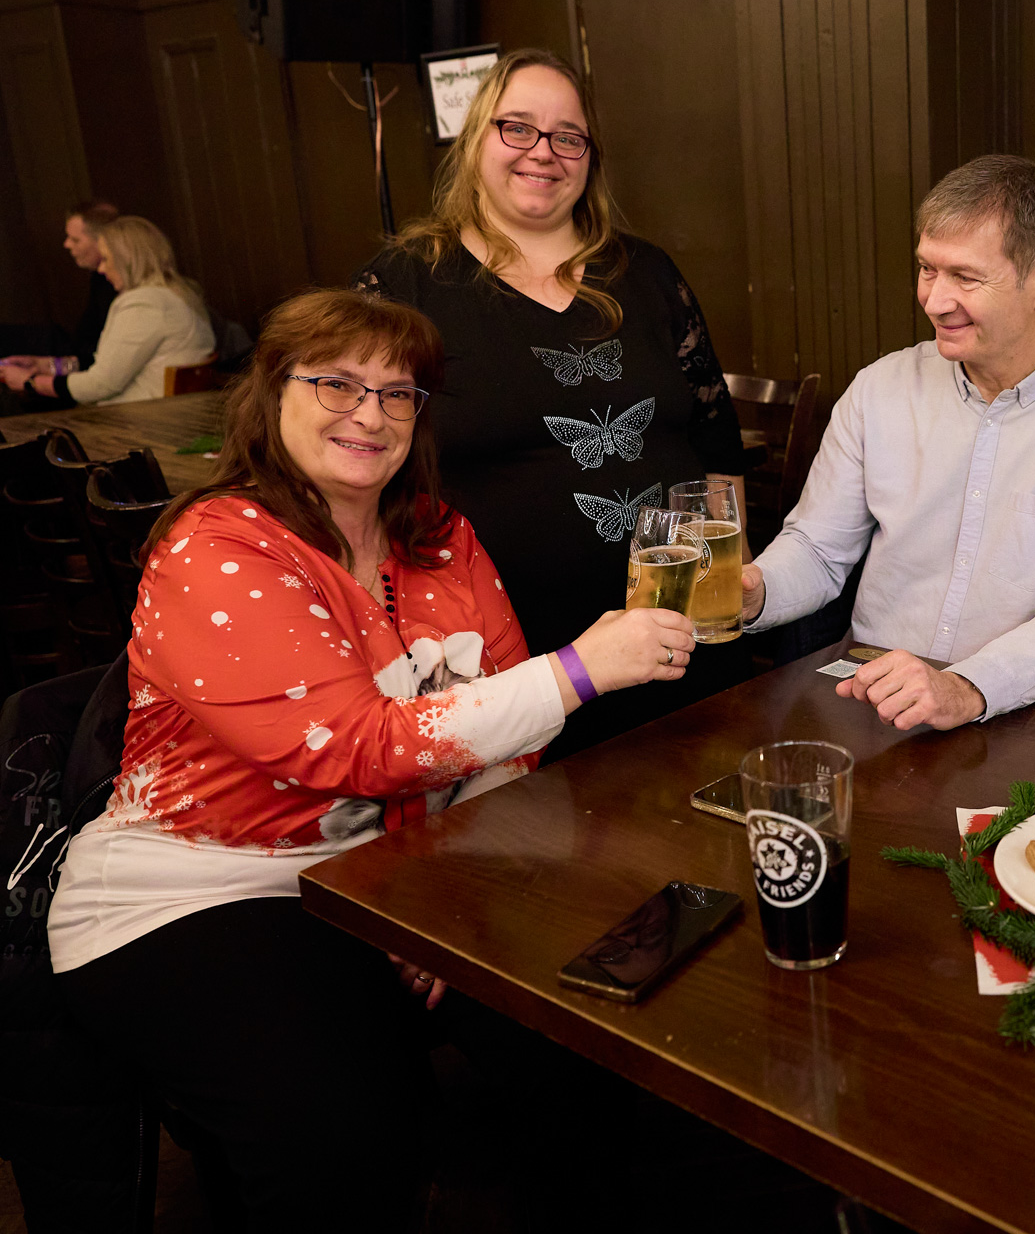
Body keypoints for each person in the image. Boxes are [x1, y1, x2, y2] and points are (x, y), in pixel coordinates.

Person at [47, 288, 696, 1229]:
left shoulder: (439, 535)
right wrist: (582, 670)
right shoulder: (216, 547)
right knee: (345, 1138)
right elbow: (356, 747)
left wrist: (437, 901)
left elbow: (513, 739)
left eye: (398, 394)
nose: (371, 413)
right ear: (272, 391)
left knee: (588, 1030)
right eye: (337, 383)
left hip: (388, 871)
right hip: (198, 888)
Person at [355, 47, 751, 762]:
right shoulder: (407, 283)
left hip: (679, 642)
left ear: (590, 158)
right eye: (517, 127)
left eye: (569, 136)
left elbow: (716, 441)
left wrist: (732, 586)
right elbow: (353, 457)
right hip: (505, 664)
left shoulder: (648, 272)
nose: (544, 151)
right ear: (476, 138)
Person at [738, 155, 1035, 729]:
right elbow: (818, 550)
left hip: (1018, 714)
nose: (934, 300)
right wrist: (754, 590)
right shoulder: (879, 389)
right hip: (869, 694)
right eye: (927, 269)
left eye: (965, 277)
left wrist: (966, 687)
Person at [0, 215, 214, 406]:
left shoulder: (143, 304)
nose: (101, 269)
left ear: (127, 260)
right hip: (169, 412)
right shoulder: (181, 293)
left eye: (105, 259)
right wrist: (46, 365)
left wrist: (30, 382)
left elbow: (100, 384)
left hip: (141, 421)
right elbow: (107, 366)